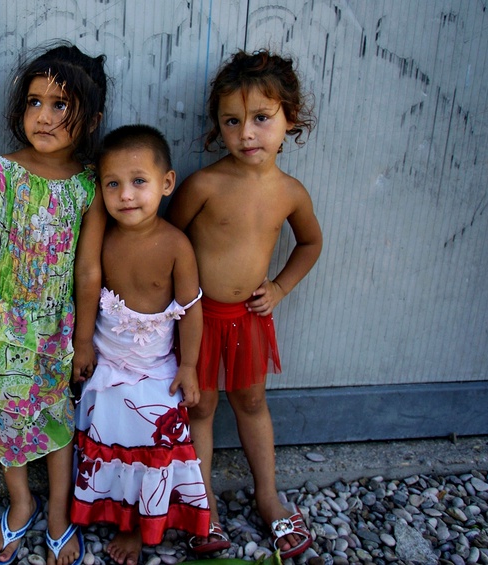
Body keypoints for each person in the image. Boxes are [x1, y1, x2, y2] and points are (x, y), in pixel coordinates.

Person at [0, 42, 109, 565]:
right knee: (5, 416)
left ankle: (60, 510)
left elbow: (88, 268)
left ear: (91, 118)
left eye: (61, 105)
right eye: (35, 101)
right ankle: (21, 502)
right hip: (1, 324)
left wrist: (83, 338)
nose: (44, 115)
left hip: (56, 329)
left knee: (57, 418)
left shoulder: (88, 188)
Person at [166, 49, 323, 560]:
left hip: (248, 320)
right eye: (232, 122)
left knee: (252, 400)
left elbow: (310, 244)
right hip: (199, 320)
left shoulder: (290, 193)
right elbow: (170, 240)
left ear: (289, 120)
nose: (247, 134)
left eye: (261, 118)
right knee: (203, 405)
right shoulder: (204, 185)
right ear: (218, 127)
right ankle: (203, 501)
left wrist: (279, 287)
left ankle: (268, 496)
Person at [71, 125, 210, 565]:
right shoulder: (102, 238)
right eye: (113, 184)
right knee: (107, 441)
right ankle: (106, 511)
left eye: (138, 182)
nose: (126, 195)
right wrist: (82, 346)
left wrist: (189, 367)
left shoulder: (176, 245)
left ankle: (136, 528)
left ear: (166, 184)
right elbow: (87, 291)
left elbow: (191, 309)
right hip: (108, 367)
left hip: (155, 371)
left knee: (149, 451)